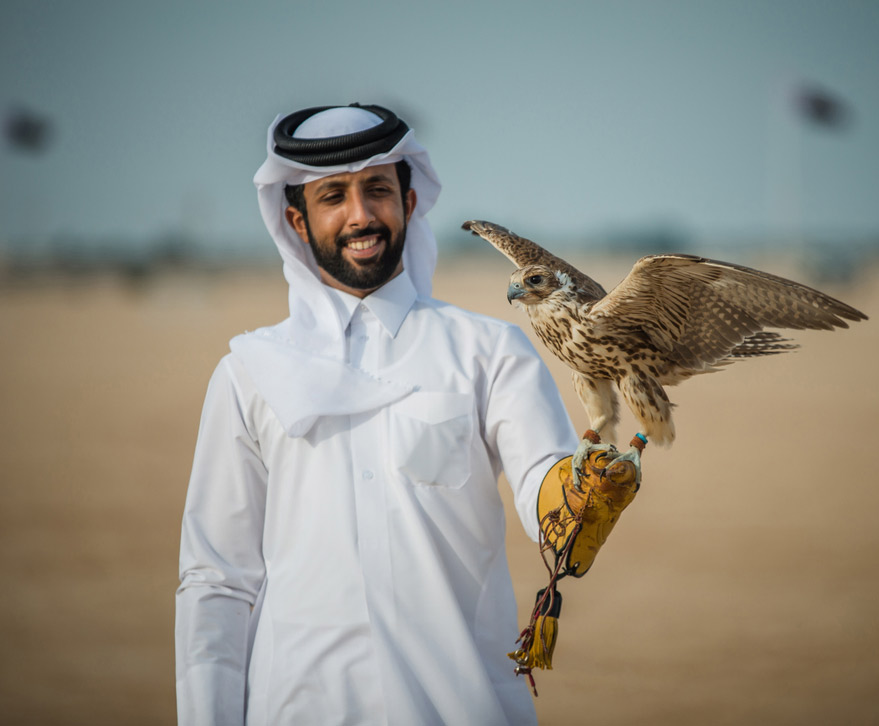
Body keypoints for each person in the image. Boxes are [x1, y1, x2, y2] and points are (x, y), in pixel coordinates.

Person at [175, 103, 637, 726]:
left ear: (410, 203)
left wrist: (583, 490)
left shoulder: (488, 352)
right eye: (333, 195)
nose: (360, 214)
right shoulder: (250, 373)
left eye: (377, 190)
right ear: (296, 218)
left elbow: (546, 489)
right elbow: (217, 583)